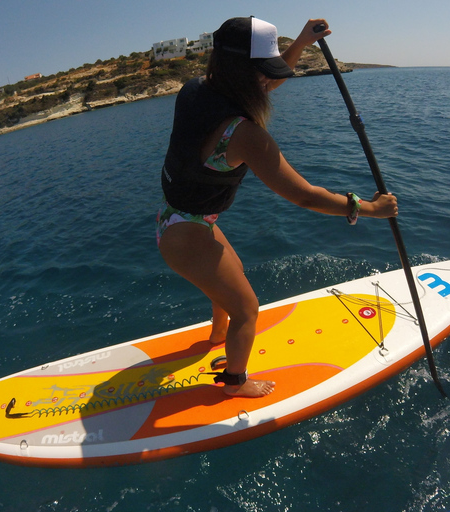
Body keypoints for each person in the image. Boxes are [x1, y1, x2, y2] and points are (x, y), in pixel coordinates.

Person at [156, 17, 398, 398]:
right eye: (263, 72)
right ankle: (235, 382)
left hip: (182, 220)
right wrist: (368, 208)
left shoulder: (196, 89)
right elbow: (305, 196)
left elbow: (264, 82)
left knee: (230, 275)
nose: (269, 82)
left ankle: (217, 339)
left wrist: (302, 42)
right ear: (245, 72)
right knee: (248, 309)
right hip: (186, 235)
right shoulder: (245, 135)